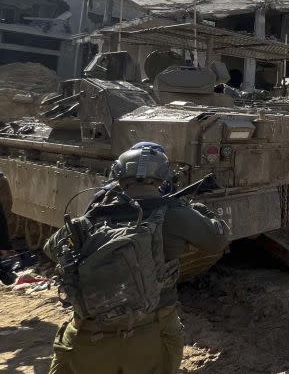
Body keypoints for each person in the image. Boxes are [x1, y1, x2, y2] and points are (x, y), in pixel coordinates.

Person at [43, 142, 230, 374]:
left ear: (118, 177)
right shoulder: (174, 214)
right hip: (151, 332)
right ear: (163, 177)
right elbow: (217, 240)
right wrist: (197, 208)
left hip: (89, 335)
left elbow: (50, 248)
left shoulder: (91, 219)